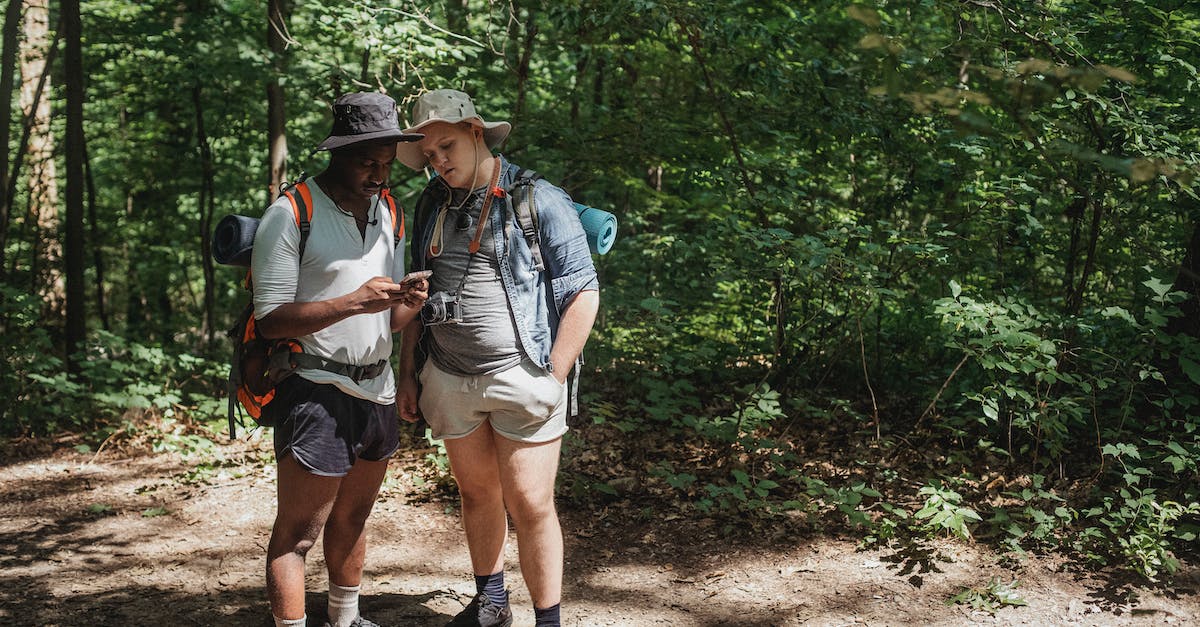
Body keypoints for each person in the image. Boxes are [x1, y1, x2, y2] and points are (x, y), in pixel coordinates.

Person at [395, 89, 599, 627]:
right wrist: (409, 373)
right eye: (428, 155)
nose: (438, 161)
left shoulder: (538, 199)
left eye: (446, 146)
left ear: (476, 133)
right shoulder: (432, 203)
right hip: (449, 375)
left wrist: (553, 375)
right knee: (476, 494)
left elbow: (584, 292)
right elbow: (417, 293)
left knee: (531, 506)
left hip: (524, 375)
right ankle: (491, 603)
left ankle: (547, 620)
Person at [252, 91, 428, 627]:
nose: (378, 173)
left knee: (352, 517)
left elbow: (388, 321)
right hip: (314, 389)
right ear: (337, 154)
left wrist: (405, 304)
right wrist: (355, 300)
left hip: (376, 391)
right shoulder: (291, 213)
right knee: (298, 533)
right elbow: (271, 320)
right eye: (366, 162)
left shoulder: (390, 211)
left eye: (386, 161)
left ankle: (345, 619)